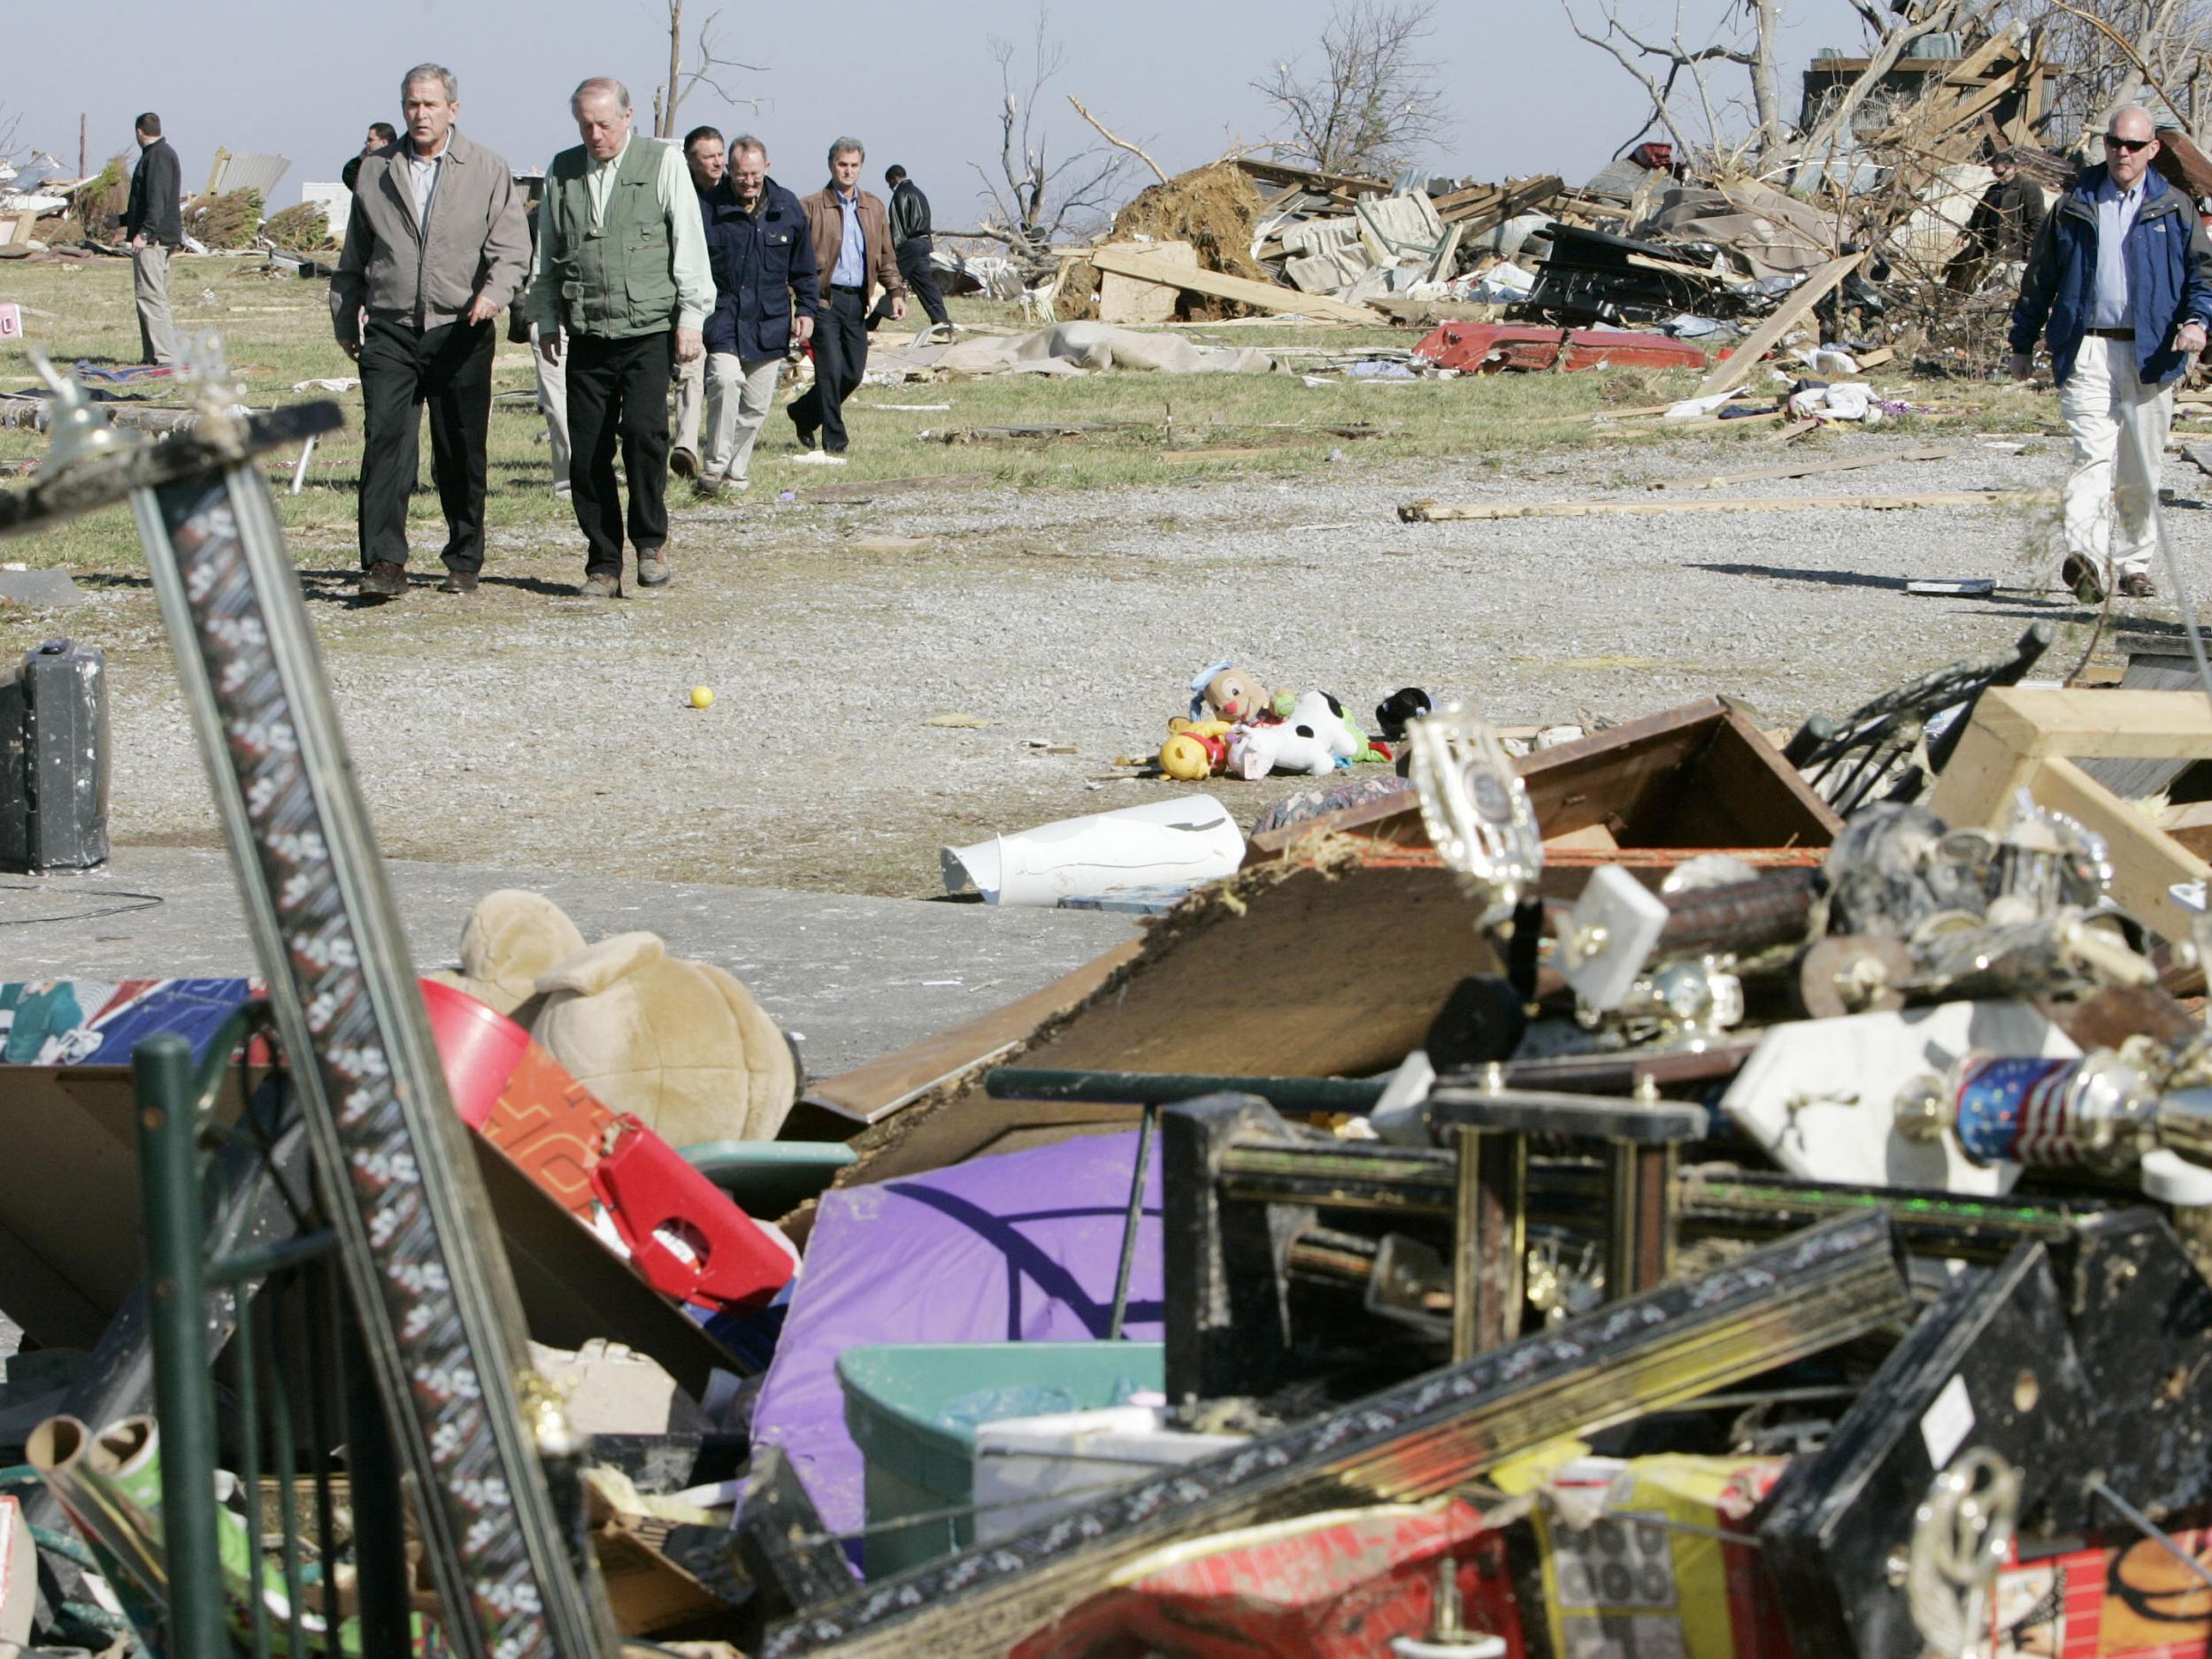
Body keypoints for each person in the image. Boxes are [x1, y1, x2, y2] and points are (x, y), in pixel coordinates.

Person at [332, 65, 529, 599]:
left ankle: (464, 557)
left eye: (431, 105)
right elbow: (356, 253)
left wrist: (495, 294)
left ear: (453, 110)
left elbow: (513, 250)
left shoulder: (487, 169)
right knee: (386, 444)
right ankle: (384, 563)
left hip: (460, 327)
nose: (420, 114)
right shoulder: (376, 170)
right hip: (391, 328)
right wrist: (344, 314)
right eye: (412, 105)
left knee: (460, 448)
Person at [2010, 105, 2212, 603]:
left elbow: (2202, 275)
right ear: (2105, 144)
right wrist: (2022, 341)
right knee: (2091, 458)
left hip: (2152, 351)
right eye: (2115, 142)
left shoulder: (2175, 206)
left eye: (2133, 145)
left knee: (2140, 465)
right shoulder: (2075, 203)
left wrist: (2197, 321)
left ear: (2152, 150)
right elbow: (2041, 277)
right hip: (2087, 347)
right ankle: (2085, 561)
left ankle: (2133, 563)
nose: (2123, 152)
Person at [529, 77, 712, 596]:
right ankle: (603, 563)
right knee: (586, 451)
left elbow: (689, 245)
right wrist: (544, 318)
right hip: (587, 331)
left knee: (644, 437)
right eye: (585, 125)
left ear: (628, 118)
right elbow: (545, 255)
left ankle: (651, 544)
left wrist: (691, 319)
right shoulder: (563, 171)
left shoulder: (662, 163)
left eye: (604, 124)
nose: (595, 134)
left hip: (648, 330)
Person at [694, 134, 820, 496]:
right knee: (724, 382)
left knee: (755, 406)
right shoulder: (708, 208)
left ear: (767, 167)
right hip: (723, 319)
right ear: (728, 171)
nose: (748, 182)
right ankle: (714, 469)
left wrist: (807, 310)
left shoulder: (787, 207)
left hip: (770, 322)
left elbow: (804, 269)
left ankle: (736, 473)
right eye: (740, 175)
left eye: (754, 174)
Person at [791, 138, 902, 455]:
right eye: (842, 165)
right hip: (822, 299)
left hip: (857, 301)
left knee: (851, 373)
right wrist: (799, 304)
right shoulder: (811, 206)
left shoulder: (874, 207)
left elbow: (885, 255)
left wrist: (895, 291)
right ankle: (835, 439)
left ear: (861, 167)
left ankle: (803, 412)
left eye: (854, 165)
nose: (848, 171)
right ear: (831, 165)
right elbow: (795, 259)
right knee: (829, 369)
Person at [670, 125, 726, 480]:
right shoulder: (676, 191)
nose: (718, 163)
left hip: (715, 301)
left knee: (695, 371)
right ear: (691, 161)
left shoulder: (731, 196)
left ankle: (687, 447)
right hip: (673, 296)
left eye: (720, 155)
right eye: (709, 157)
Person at [122, 112, 181, 366]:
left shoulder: (157, 157)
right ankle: (152, 355)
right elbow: (150, 202)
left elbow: (157, 201)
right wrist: (121, 221)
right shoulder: (160, 154)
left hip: (153, 239)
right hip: (157, 235)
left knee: (151, 297)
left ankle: (164, 356)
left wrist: (144, 233)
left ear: (139, 132)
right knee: (146, 295)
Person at [869, 164, 949, 334]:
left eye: (889, 183)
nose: (890, 187)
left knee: (888, 280)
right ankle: (941, 323)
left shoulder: (901, 194)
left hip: (909, 246)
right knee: (925, 285)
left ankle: (868, 323)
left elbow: (898, 229)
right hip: (923, 243)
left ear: (893, 178)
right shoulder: (919, 193)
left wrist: (892, 252)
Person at [1985, 149, 2047, 264]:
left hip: (2015, 253)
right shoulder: (1994, 190)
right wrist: (1965, 233)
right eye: (1995, 174)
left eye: (2000, 174)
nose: (1998, 178)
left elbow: (2037, 220)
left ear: (2012, 168)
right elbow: (1980, 213)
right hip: (1990, 249)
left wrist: (2030, 250)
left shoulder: (2029, 188)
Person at [342, 123, 398, 193]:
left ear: (384, 142)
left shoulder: (400, 164)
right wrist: (361, 160)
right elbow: (351, 177)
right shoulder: (362, 166)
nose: (367, 143)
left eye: (370, 140)